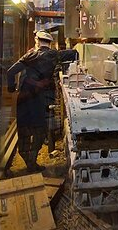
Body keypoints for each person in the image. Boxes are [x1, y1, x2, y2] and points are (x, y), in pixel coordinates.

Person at [6, 30, 78, 172]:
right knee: (40, 129)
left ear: (37, 41)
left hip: (25, 97)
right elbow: (74, 54)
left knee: (24, 128)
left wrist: (11, 88)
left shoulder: (29, 56)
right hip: (40, 98)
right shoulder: (53, 55)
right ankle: (33, 161)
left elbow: (10, 72)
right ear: (50, 43)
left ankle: (27, 160)